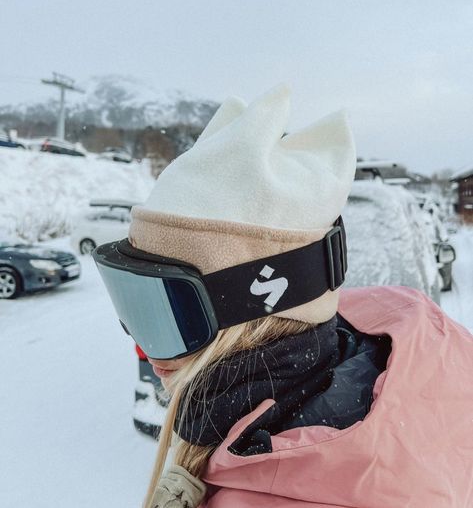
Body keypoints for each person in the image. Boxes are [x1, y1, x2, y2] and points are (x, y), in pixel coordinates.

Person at [94, 85, 473, 508]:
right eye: (132, 304)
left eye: (167, 309)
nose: (141, 344)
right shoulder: (406, 365)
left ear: (256, 305)